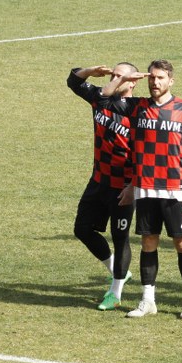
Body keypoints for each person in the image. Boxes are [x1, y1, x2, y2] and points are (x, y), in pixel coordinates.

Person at [97, 59, 182, 320]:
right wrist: (125, 79)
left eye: (160, 78)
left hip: (175, 191)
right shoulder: (137, 107)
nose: (155, 83)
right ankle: (148, 300)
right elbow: (103, 99)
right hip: (146, 189)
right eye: (151, 78)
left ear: (171, 81)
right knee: (148, 244)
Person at [67, 64, 138, 311]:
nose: (115, 80)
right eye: (113, 76)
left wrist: (134, 186)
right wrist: (89, 71)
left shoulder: (140, 110)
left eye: (122, 77)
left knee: (121, 239)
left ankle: (115, 293)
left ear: (133, 83)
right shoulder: (100, 99)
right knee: (82, 229)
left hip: (124, 187)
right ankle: (118, 271)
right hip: (98, 181)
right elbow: (73, 81)